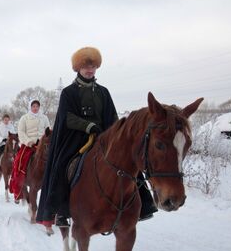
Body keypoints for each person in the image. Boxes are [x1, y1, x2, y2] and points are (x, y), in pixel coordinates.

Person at [36, 46, 157, 227]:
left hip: (104, 137)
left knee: (129, 160)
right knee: (61, 165)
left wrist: (119, 131)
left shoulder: (103, 91)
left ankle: (144, 205)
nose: (89, 70)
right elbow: (67, 117)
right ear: (78, 68)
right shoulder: (68, 92)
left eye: (92, 66)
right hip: (76, 138)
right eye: (86, 66)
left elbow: (112, 116)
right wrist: (88, 126)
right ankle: (60, 211)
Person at [9, 100, 50, 201]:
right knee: (19, 161)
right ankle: (18, 184)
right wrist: (28, 141)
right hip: (29, 144)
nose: (35, 108)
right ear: (30, 107)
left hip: (42, 144)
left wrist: (44, 141)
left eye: (37, 106)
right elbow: (21, 132)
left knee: (52, 158)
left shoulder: (44, 118)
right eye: (33, 106)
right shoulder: (25, 118)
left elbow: (48, 131)